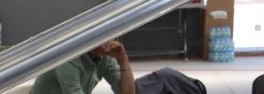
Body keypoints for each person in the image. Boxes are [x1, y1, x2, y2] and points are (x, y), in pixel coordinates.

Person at [30, 41, 204, 94]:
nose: (106, 43)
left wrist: (123, 59)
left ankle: (196, 90)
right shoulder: (68, 61)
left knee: (165, 77)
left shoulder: (104, 57)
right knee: (161, 80)